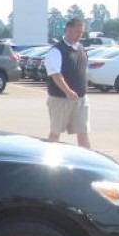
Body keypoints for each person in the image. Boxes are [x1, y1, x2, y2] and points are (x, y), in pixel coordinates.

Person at [44, 18, 91, 148]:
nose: (80, 35)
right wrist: (68, 91)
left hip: (81, 100)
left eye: (81, 32)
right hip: (60, 100)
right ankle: (48, 163)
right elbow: (55, 74)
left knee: (83, 132)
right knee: (55, 133)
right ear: (68, 30)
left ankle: (87, 162)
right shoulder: (57, 51)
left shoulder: (81, 49)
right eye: (78, 32)